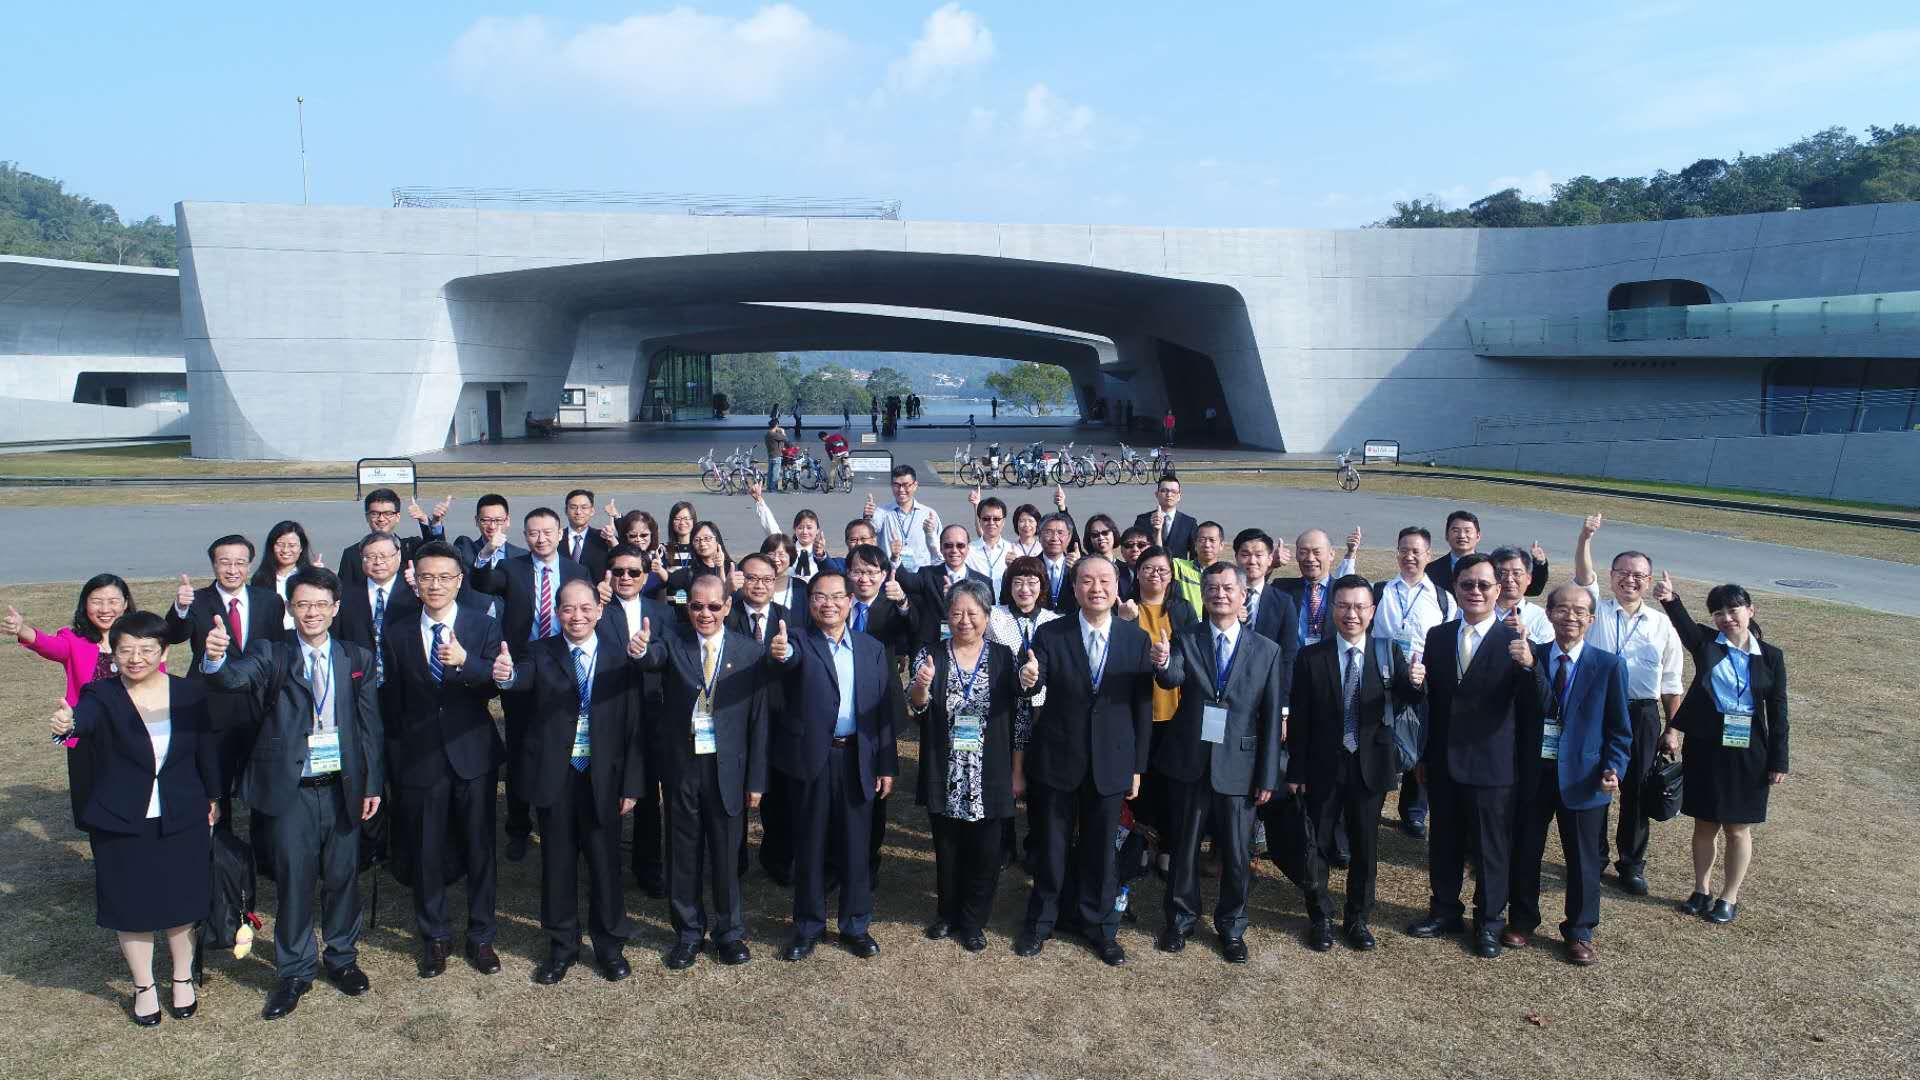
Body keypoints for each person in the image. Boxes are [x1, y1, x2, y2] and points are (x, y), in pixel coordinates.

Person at [202, 566, 384, 1020]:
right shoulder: (272, 653)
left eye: (321, 604)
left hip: (342, 786)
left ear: (336, 609)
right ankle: (295, 970)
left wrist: (373, 783)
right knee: (296, 881)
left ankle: (342, 958)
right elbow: (230, 680)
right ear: (290, 608)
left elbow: (369, 726)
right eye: (302, 604)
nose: (312, 613)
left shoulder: (356, 658)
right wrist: (215, 658)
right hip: (292, 791)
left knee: (343, 877)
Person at [49, 610, 218, 1026]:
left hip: (181, 811)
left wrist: (213, 797)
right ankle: (144, 985)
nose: (135, 658)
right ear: (114, 652)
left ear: (162, 651)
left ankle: (182, 978)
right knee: (130, 903)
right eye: (126, 650)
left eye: (146, 649)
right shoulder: (99, 694)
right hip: (121, 816)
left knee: (183, 900)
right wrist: (66, 725)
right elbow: (80, 723)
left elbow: (206, 750)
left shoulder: (189, 693)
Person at [495, 579, 644, 984]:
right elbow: (521, 678)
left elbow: (633, 725)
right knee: (557, 863)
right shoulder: (542, 652)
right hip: (557, 776)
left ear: (598, 610)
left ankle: (610, 946)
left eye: (584, 609)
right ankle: (562, 946)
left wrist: (632, 784)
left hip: (603, 777)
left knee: (604, 863)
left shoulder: (620, 657)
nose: (576, 617)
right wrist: (506, 676)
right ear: (557, 613)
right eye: (567, 609)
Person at [1014, 556, 1153, 966]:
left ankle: (1100, 926)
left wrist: (1137, 766)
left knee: (1100, 850)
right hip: (1058, 756)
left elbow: (1141, 708)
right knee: (1052, 848)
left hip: (1112, 761)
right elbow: (1037, 678)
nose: (1096, 588)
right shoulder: (1051, 632)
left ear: (1116, 587)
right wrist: (1030, 678)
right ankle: (1040, 922)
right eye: (1086, 581)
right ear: (1073, 589)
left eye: (1104, 580)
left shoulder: (1134, 638)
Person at [1403, 554, 1543, 960]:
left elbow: (1536, 707)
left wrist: (1530, 667)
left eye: (1484, 585)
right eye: (1468, 585)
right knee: (1444, 842)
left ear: (1499, 590)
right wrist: (1415, 688)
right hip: (1444, 761)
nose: (1476, 592)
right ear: (1456, 589)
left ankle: (1489, 922)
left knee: (1490, 849)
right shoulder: (1438, 636)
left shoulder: (1516, 642)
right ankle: (1445, 910)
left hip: (1493, 765)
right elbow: (1431, 702)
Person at [629, 574, 771, 969]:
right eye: (695, 606)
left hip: (729, 769)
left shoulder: (749, 652)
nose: (704, 613)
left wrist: (757, 779)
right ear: (686, 607)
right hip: (684, 766)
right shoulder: (673, 641)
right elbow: (651, 658)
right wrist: (640, 650)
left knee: (727, 856)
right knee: (683, 853)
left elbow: (759, 721)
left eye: (713, 606)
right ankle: (688, 932)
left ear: (728, 606)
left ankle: (729, 933)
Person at [1149, 562, 1285, 963]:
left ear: (1243, 596)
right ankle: (1180, 920)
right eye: (1212, 588)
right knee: (1184, 847)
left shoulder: (1266, 650)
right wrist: (1161, 661)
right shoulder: (1186, 637)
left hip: (1239, 766)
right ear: (1204, 595)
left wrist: (1268, 774)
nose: (1219, 594)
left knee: (1237, 854)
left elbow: (1271, 714)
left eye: (1228, 588)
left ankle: (1232, 925)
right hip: (1192, 760)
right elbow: (1172, 678)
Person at [381, 540, 505, 979]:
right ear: (414, 581)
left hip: (472, 754)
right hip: (420, 758)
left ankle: (482, 935)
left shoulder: (480, 626)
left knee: (479, 848)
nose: (436, 585)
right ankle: (435, 936)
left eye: (445, 577)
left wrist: (467, 663)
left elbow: (492, 688)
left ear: (459, 580)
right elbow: (391, 700)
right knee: (426, 850)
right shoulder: (395, 630)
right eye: (427, 577)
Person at [769, 570, 897, 960]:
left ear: (850, 600)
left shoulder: (871, 648)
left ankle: (855, 925)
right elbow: (785, 662)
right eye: (820, 597)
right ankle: (807, 926)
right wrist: (780, 652)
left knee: (856, 846)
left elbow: (883, 712)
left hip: (858, 756)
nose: (830, 604)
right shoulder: (796, 641)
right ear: (810, 604)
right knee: (810, 843)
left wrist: (886, 764)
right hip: (813, 759)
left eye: (837, 597)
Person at [1286, 576, 1416, 953]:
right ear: (1332, 609)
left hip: (1370, 766)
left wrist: (1416, 683)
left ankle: (1357, 918)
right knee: (1319, 844)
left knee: (1364, 846)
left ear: (1372, 612)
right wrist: (1296, 770)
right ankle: (1321, 917)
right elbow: (1301, 719)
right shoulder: (1312, 656)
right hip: (1323, 766)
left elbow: (1408, 700)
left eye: (1360, 607)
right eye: (1343, 606)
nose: (1351, 614)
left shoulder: (1386, 652)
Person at [1504, 584, 1631, 965]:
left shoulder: (1608, 665)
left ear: (1591, 620)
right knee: (1525, 851)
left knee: (1584, 858)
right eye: (1562, 609)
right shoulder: (1532, 657)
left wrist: (1614, 766)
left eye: (1579, 611)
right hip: (1533, 773)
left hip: (1584, 776)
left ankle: (1579, 931)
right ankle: (1522, 921)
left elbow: (1619, 728)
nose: (1570, 617)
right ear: (1549, 614)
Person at [1655, 575, 1788, 925]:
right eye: (1718, 612)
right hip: (1706, 747)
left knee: (1737, 828)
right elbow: (1684, 626)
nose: (1726, 618)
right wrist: (1670, 599)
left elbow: (1778, 712)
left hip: (1749, 754)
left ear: (1750, 610)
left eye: (1733, 610)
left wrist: (1779, 760)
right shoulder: (1707, 644)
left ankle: (1729, 896)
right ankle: (1701, 889)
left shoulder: (1771, 657)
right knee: (1704, 823)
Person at [1572, 513, 1685, 896]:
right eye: (1623, 572)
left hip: (1642, 712)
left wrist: (1672, 727)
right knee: (1597, 782)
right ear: (1612, 574)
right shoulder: (1596, 611)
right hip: (1597, 707)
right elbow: (1584, 575)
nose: (1629, 579)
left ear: (1649, 582)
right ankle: (1595, 856)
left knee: (1637, 788)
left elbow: (1672, 682)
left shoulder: (1661, 625)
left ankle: (1632, 863)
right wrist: (1586, 537)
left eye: (1638, 575)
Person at [470, 507, 591, 861]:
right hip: (524, 665)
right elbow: (482, 583)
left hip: (565, 668)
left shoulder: (576, 570)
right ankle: (519, 826)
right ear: (525, 537)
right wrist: (488, 553)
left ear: (559, 534)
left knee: (565, 740)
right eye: (534, 533)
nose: (541, 539)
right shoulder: (512, 567)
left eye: (548, 532)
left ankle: (564, 817)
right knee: (522, 746)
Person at [7, 574, 142, 829]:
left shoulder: (141, 639)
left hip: (132, 732)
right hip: (87, 736)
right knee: (92, 804)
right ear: (85, 604)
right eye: (97, 601)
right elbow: (49, 645)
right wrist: (22, 629)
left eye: (113, 601)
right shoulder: (73, 639)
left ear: (125, 604)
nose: (105, 609)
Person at [167, 534, 287, 809]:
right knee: (215, 787)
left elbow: (277, 649)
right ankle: (219, 845)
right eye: (225, 563)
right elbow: (173, 635)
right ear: (213, 565)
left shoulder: (270, 601)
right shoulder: (196, 600)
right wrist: (180, 608)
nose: (233, 570)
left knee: (262, 786)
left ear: (249, 565)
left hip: (258, 706)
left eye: (240, 563)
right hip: (211, 706)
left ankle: (262, 849)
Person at [1361, 526, 1455, 840]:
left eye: (1417, 551)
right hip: (1384, 676)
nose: (1410, 556)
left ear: (1429, 555)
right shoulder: (1381, 590)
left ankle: (1414, 812)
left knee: (1420, 739)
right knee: (1381, 736)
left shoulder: (1443, 598)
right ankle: (1371, 802)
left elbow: (1448, 641)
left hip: (1422, 679)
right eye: (1404, 549)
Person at [597, 543, 674, 898]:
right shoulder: (595, 609)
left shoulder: (662, 614)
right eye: (618, 571)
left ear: (645, 577)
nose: (625, 578)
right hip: (607, 710)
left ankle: (648, 866)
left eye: (634, 572)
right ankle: (603, 866)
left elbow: (669, 659)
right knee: (606, 791)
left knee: (647, 794)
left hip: (651, 712)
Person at [904, 524, 993, 645]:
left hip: (969, 649)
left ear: (968, 548)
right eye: (948, 546)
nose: (954, 550)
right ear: (941, 548)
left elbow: (987, 621)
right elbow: (905, 581)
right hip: (931, 646)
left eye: (960, 545)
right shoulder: (927, 574)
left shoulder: (984, 582)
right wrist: (895, 559)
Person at [1425, 510, 1548, 597]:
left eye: (1468, 531)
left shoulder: (1492, 566)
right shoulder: (1430, 570)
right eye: (1456, 531)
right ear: (1446, 536)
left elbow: (1533, 590)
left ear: (1478, 536)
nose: (1462, 536)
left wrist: (1539, 564)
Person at [338, 489, 444, 587]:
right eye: (375, 514)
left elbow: (439, 553)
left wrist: (430, 522)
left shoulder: (410, 547)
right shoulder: (351, 554)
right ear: (367, 517)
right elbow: (343, 594)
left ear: (397, 517)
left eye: (388, 513)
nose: (381, 519)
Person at [452, 494, 525, 619]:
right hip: (473, 622)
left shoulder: (521, 556)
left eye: (498, 520)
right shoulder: (464, 549)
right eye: (485, 520)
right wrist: (485, 553)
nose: (492, 526)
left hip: (508, 624)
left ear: (507, 521)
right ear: (476, 521)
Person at [866, 465, 941, 573]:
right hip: (891, 574)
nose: (901, 490)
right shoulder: (881, 512)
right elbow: (868, 535)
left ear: (915, 485)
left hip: (920, 576)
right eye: (896, 485)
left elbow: (938, 549)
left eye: (906, 485)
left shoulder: (928, 514)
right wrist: (867, 518)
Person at [663, 522, 738, 619]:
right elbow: (680, 608)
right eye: (697, 540)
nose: (702, 543)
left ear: (717, 540)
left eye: (707, 538)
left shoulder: (733, 570)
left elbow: (740, 605)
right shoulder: (684, 576)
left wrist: (721, 569)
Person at [253, 521, 318, 626]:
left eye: (292, 545)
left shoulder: (311, 576)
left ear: (301, 548)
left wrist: (318, 576)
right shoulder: (260, 578)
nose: (285, 550)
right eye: (280, 544)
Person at [1489, 546, 1554, 644]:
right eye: (1502, 573)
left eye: (1516, 573)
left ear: (1529, 578)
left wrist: (1526, 635)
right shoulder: (1475, 610)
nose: (1509, 579)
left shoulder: (1541, 617)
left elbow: (1548, 656)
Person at [1133, 476, 1195, 561]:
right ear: (1156, 494)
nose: (1169, 495)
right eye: (1164, 491)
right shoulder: (1142, 520)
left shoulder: (1189, 523)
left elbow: (1194, 555)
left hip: (1178, 572)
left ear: (1179, 496)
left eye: (1173, 491)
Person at [965, 493, 1015, 596]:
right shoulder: (968, 550)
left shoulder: (1013, 550)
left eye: (996, 519)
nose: (991, 523)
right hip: (977, 607)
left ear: (1003, 521)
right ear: (980, 521)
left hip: (1004, 608)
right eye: (986, 519)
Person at [1172, 521, 1228, 614]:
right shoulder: (1179, 566)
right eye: (1202, 540)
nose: (1207, 545)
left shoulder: (1227, 575)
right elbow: (1158, 559)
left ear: (1221, 545)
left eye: (1212, 540)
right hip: (1188, 625)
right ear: (1195, 545)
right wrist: (1158, 532)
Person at [560, 489, 611, 579]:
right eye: (573, 507)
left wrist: (617, 517)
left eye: (584, 507)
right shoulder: (556, 538)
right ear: (566, 510)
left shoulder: (603, 538)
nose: (578, 512)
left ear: (592, 511)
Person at [1036, 514, 1078, 615]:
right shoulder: (1031, 566)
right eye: (1048, 532)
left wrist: (1078, 572)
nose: (1054, 538)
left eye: (1060, 533)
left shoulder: (1077, 566)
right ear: (1039, 536)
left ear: (1069, 537)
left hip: (1070, 625)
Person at [1081, 515, 1131, 599]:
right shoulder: (1085, 569)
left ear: (1113, 534)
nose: (1101, 537)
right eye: (1095, 535)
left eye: (1105, 533)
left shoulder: (1126, 569)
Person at [765, 420, 788, 490]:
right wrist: (783, 431)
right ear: (776, 425)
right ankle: (773, 488)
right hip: (776, 455)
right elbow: (785, 438)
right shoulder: (774, 434)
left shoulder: (767, 434)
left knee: (770, 473)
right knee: (775, 473)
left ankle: (769, 487)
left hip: (770, 455)